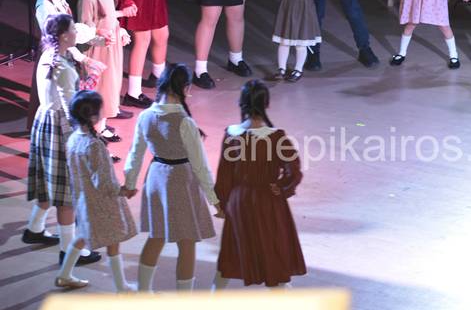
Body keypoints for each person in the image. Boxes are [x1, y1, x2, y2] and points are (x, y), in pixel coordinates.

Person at [123, 63, 222, 292]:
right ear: (186, 88)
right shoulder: (185, 122)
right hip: (181, 181)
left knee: (156, 236)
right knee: (187, 243)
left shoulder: (145, 116)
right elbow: (200, 165)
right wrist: (215, 200)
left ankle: (143, 291)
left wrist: (129, 184)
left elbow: (135, 154)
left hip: (156, 178)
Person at [212, 80, 306, 290]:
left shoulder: (231, 134)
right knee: (273, 256)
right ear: (266, 104)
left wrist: (222, 204)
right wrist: (282, 188)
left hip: (239, 201)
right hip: (267, 202)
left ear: (242, 103)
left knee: (230, 255)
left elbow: (224, 175)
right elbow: (294, 171)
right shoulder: (277, 137)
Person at [26, 14, 101, 266]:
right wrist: (87, 135)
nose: (76, 33)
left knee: (51, 182)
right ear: (63, 36)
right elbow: (72, 108)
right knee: (66, 194)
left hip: (45, 121)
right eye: (73, 30)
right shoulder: (61, 66)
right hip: (60, 128)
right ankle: (69, 251)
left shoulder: (50, 55)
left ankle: (35, 228)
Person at [58, 90, 138, 291]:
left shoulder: (73, 139)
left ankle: (65, 274)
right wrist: (123, 191)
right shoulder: (94, 145)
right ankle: (122, 288)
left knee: (82, 236)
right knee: (113, 241)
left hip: (84, 200)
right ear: (93, 116)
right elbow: (103, 181)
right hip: (102, 203)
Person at [26, 0, 109, 132]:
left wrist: (96, 36)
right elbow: (62, 36)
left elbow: (71, 31)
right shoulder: (45, 8)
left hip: (64, 53)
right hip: (55, 56)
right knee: (58, 102)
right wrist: (85, 57)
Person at [77, 0, 133, 142]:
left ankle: (101, 126)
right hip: (97, 50)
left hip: (111, 46)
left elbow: (109, 16)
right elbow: (85, 30)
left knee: (111, 85)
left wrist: (121, 30)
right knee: (99, 88)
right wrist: (102, 38)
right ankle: (95, 130)